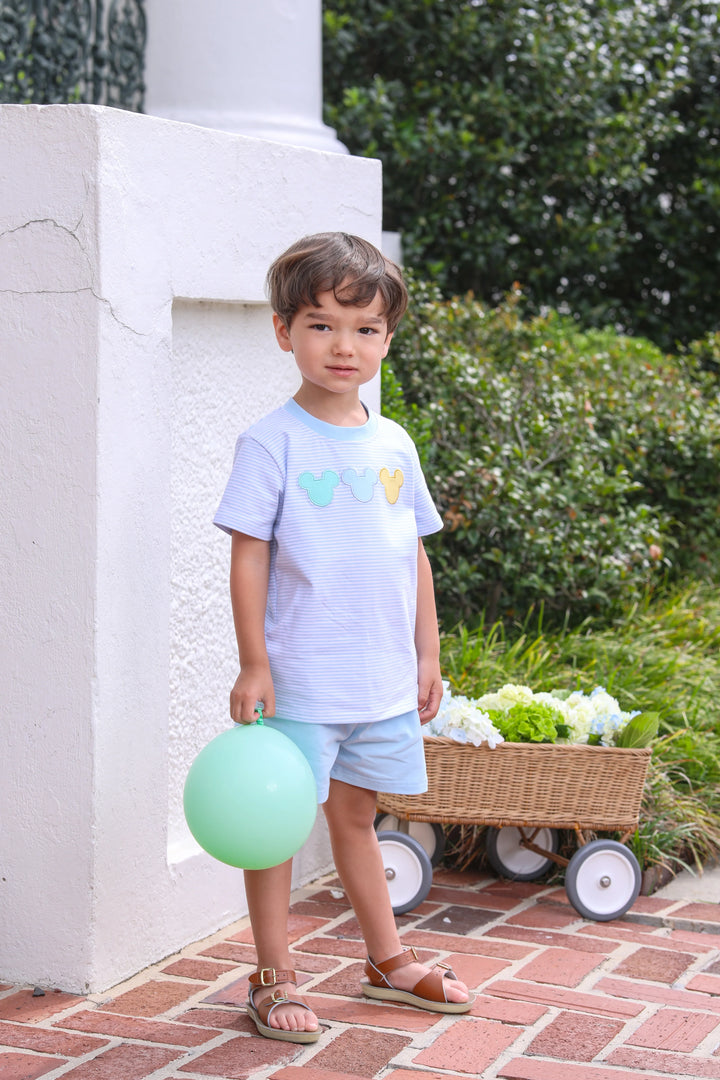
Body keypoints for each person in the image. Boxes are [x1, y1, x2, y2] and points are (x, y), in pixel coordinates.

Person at [213, 232, 472, 1043]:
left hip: (381, 681)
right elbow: (249, 555)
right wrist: (255, 662)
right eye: (322, 325)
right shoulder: (271, 442)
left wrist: (428, 654)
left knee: (358, 818)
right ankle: (273, 972)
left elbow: (414, 554)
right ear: (285, 331)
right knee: (279, 824)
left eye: (365, 329)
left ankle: (386, 961)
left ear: (387, 339)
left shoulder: (394, 441)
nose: (343, 345)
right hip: (300, 682)